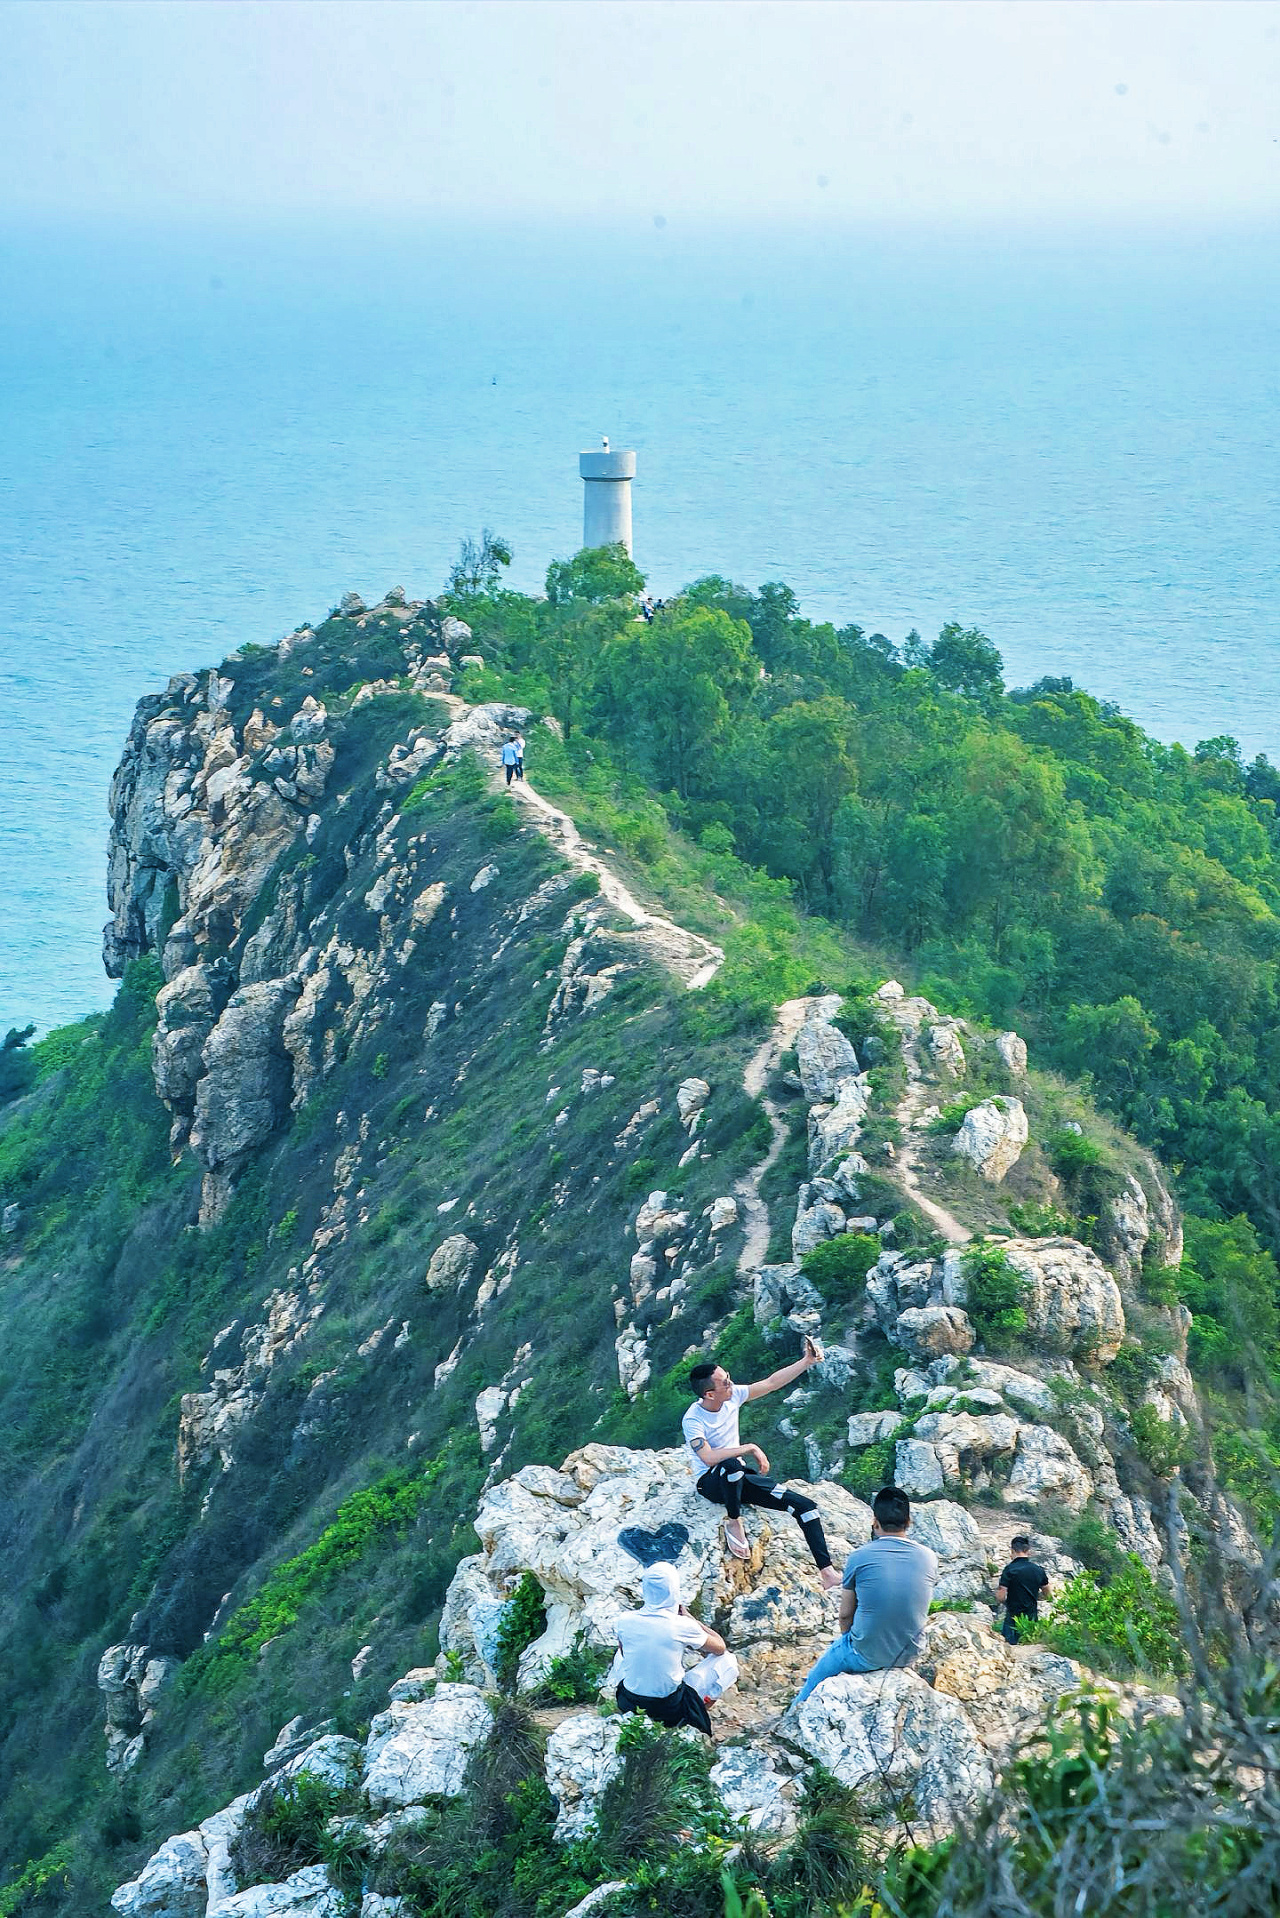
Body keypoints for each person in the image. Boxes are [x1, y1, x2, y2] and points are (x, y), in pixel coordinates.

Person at [682, 1339, 842, 1590]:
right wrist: (750, 1447)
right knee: (731, 1465)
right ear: (709, 1394)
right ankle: (734, 1520)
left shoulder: (732, 1397)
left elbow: (770, 1383)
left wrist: (806, 1361)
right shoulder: (693, 1419)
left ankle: (828, 1573)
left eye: (728, 1377)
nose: (731, 1384)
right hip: (711, 1483)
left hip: (737, 1478)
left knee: (806, 1507)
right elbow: (708, 1458)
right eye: (725, 1382)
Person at [794, 1485, 938, 1702]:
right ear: (908, 1522)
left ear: (875, 1522)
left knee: (814, 1679)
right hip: (909, 1653)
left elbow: (845, 1615)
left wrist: (849, 1641)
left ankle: (795, 1710)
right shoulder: (928, 1557)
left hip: (866, 1654)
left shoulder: (859, 1557)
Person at [611, 1561, 739, 1735]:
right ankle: (694, 1712)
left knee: (620, 1654)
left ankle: (635, 1716)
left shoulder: (624, 1620)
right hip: (669, 1709)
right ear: (674, 1591)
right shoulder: (682, 1625)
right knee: (728, 1661)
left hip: (629, 1702)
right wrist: (691, 1619)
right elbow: (720, 1648)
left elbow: (625, 1654)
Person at [996, 1535, 1050, 1646]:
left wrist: (1005, 1602)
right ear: (1027, 1550)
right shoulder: (1038, 1570)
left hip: (1013, 1616)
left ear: (1012, 1550)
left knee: (1010, 1647)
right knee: (1031, 1645)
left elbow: (1001, 1596)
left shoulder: (1009, 1570)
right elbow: (1048, 1593)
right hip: (1031, 1616)